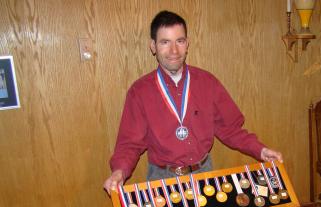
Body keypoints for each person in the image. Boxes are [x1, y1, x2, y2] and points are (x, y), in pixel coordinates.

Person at [103, 10, 282, 194]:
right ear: (153, 46)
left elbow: (231, 129)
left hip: (204, 175)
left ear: (187, 44)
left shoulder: (208, 82)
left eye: (179, 41)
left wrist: (260, 150)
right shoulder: (139, 91)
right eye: (165, 42)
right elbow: (130, 144)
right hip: (162, 180)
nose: (174, 51)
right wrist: (119, 172)